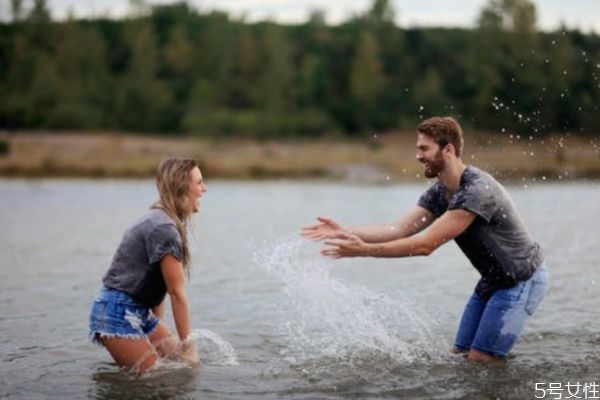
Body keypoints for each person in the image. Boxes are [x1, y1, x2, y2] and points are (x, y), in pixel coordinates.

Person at [302, 116, 549, 364]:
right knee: (461, 358)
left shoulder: (476, 191)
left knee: (482, 359)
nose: (418, 156)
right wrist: (345, 231)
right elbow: (398, 229)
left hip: (521, 279)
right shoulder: (440, 192)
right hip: (493, 280)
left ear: (448, 150)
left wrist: (364, 250)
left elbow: (425, 245)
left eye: (424, 149)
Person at [88, 157, 207, 373]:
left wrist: (156, 330)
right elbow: (176, 292)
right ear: (182, 187)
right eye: (199, 183)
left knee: (183, 366)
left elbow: (157, 285)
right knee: (157, 380)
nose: (204, 189)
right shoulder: (164, 229)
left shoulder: (164, 221)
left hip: (138, 311)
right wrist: (188, 343)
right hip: (117, 312)